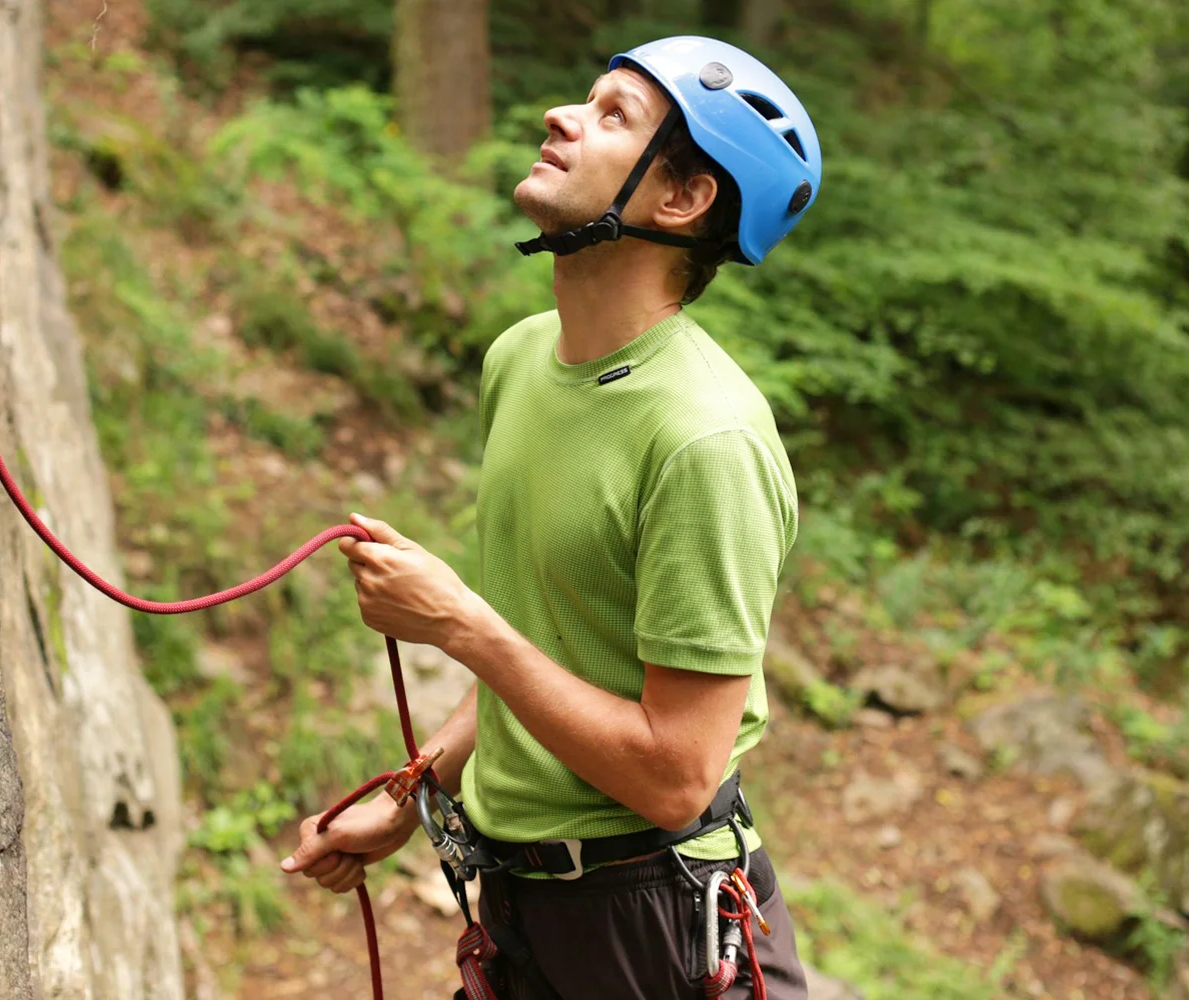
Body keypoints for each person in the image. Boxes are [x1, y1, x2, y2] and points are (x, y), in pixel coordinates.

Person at [283, 35, 823, 999]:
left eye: (614, 115)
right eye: (586, 99)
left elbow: (675, 776)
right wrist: (416, 791)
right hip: (520, 906)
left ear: (682, 199)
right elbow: (552, 643)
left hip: (654, 920)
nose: (560, 117)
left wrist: (458, 622)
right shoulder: (524, 359)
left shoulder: (706, 440)